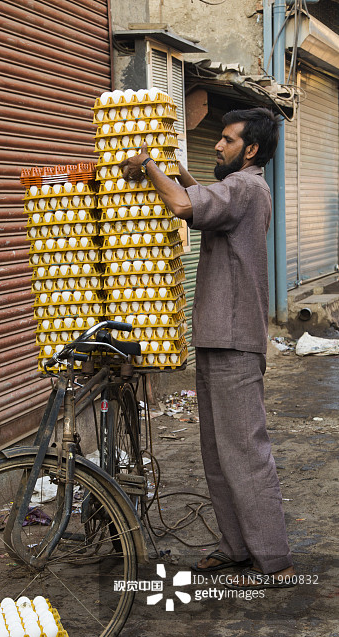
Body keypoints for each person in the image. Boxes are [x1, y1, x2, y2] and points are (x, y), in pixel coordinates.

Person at [120, 107, 295, 587]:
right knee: (218, 453)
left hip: (235, 341)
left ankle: (274, 561)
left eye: (226, 139)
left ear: (251, 149)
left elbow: (183, 206)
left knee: (245, 451)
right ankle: (237, 547)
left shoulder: (246, 187)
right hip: (219, 336)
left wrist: (149, 166)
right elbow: (204, 199)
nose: (217, 145)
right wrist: (178, 172)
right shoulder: (243, 190)